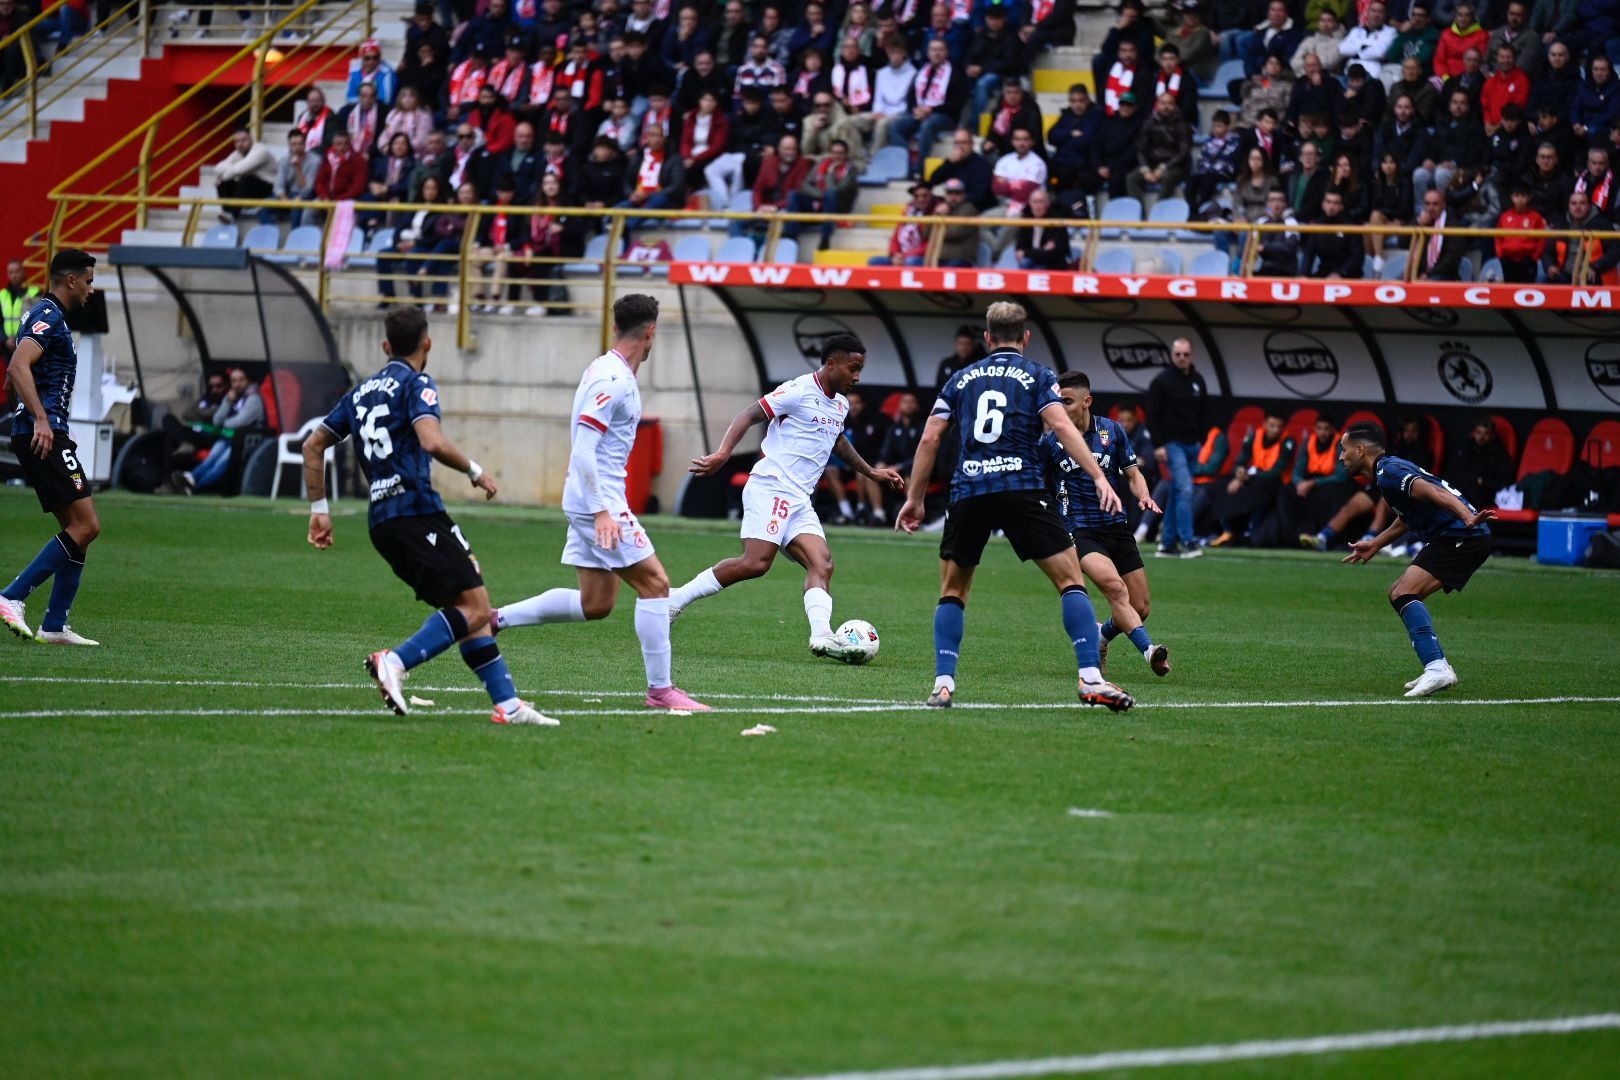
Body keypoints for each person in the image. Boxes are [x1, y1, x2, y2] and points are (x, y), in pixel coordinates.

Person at [298, 307, 550, 726]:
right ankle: (394, 662)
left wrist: (319, 511)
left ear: (385, 346)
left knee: (472, 605)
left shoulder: (358, 393)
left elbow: (313, 445)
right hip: (416, 511)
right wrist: (474, 470)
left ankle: (507, 705)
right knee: (473, 608)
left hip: (382, 520)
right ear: (427, 343)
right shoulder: (417, 384)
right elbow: (431, 442)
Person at [895, 302, 1134, 712]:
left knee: (953, 591)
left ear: (987, 339)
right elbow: (1061, 425)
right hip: (1022, 487)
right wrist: (1098, 476)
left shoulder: (960, 378)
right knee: (1070, 581)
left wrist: (914, 499)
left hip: (969, 489)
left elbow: (930, 439)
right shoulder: (1038, 375)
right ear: (1025, 338)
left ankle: (943, 685)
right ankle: (1090, 678)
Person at [493, 296, 708, 712]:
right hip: (599, 501)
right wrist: (601, 512)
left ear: (615, 328)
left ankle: (496, 619)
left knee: (596, 603)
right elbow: (583, 450)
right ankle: (661, 692)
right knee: (656, 585)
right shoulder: (613, 380)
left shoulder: (605, 368)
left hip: (589, 499)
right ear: (651, 332)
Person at [668, 335, 904, 657]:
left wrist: (871, 472)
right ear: (831, 363)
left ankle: (822, 636)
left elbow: (837, 441)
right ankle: (674, 600)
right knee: (755, 563)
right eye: (853, 368)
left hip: (799, 499)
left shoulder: (840, 404)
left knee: (822, 563)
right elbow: (748, 415)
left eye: (860, 369)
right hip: (771, 485)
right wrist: (724, 453)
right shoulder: (797, 391)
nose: (858, 377)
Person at [1338, 422, 1495, 698]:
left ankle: (1437, 668)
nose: (1341, 456)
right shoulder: (1387, 471)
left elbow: (1434, 492)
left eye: (1344, 449)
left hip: (1462, 535)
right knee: (1398, 592)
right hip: (1455, 535)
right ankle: (1437, 665)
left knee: (1403, 592)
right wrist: (1375, 544)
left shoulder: (1389, 473)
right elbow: (1407, 517)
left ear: (1361, 450)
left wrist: (1467, 517)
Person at [0, 249, 102, 646]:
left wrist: (30, 415)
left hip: (41, 432)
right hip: (44, 434)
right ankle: (12, 595)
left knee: (75, 529)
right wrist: (41, 420)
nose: (92, 290)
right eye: (89, 281)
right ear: (71, 280)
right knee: (87, 525)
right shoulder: (49, 315)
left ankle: (56, 625)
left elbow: (16, 375)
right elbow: (17, 366)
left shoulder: (41, 313)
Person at [1040, 371, 1171, 679]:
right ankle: (1150, 651)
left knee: (1139, 608)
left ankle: (1101, 637)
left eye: (1067, 401)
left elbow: (1133, 472)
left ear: (1087, 401)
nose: (1060, 406)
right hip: (1080, 530)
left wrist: (1144, 496)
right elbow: (1032, 482)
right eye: (1058, 401)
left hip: (1117, 526)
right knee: (1115, 589)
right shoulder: (1051, 442)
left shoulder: (1112, 431)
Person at [1145, 337, 1209, 558]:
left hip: (1193, 445)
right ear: (1172, 356)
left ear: (1192, 355)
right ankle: (1188, 542)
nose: (1182, 358)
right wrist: (1158, 444)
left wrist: (1201, 439)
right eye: (1178, 354)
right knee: (1185, 490)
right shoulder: (1162, 381)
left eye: (1186, 354)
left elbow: (1204, 411)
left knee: (1176, 493)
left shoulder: (1198, 380)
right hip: (1172, 444)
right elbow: (1152, 414)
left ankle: (1167, 543)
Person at [1210, 409, 1296, 546]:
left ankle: (1252, 531)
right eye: (1272, 425)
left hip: (1277, 482)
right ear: (1264, 424)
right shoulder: (1254, 436)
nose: (1275, 430)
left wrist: (1247, 477)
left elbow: (1277, 470)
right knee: (1223, 486)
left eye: (1279, 427)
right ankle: (1226, 530)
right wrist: (1239, 474)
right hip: (1254, 477)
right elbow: (1241, 460)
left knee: (1259, 490)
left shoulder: (1288, 442)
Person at [173, 367, 265, 495]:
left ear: (248, 381)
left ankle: (196, 487)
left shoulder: (254, 399)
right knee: (211, 458)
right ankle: (190, 477)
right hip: (229, 437)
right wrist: (227, 402)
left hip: (246, 441)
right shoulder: (231, 397)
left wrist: (224, 424)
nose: (237, 384)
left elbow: (240, 421)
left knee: (220, 464)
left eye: (241, 380)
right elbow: (216, 420)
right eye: (234, 381)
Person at [868, 391, 924, 525]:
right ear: (899, 406)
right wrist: (881, 463)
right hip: (896, 468)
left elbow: (922, 456)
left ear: (917, 406)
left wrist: (899, 466)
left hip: (916, 469)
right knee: (870, 472)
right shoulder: (894, 428)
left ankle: (910, 516)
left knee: (910, 474)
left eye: (912, 402)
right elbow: (886, 452)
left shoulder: (923, 426)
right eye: (905, 402)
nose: (909, 405)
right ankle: (878, 514)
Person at [1445, 415, 1514, 509]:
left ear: (1492, 436)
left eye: (1486, 434)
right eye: (1478, 433)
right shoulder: (1466, 448)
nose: (1481, 437)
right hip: (1461, 488)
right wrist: (1474, 479)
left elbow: (1503, 482)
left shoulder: (1500, 454)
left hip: (1484, 494)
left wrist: (1482, 481)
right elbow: (1453, 471)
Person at [214, 129, 278, 213]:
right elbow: (217, 168)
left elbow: (239, 170)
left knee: (246, 179)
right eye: (237, 141)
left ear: (251, 140)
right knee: (223, 184)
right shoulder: (238, 153)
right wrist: (223, 178)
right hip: (250, 190)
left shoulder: (260, 151)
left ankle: (232, 214)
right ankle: (227, 213)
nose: (240, 144)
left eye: (244, 140)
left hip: (270, 189)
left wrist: (224, 176)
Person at [1495, 184, 1546, 281]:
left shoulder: (1536, 217)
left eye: (1523, 196)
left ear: (1529, 198)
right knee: (1509, 290)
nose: (1520, 200)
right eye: (1517, 196)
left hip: (1528, 260)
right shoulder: (1504, 216)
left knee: (1527, 290)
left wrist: (1535, 257)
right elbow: (1498, 237)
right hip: (1508, 259)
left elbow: (1542, 239)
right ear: (1511, 197)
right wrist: (1500, 254)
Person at [1015, 189, 1073, 269]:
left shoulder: (1056, 220)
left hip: (1051, 263)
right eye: (1035, 202)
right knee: (1025, 263)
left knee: (1038, 269)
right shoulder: (1026, 220)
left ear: (1047, 203)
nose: (1038, 205)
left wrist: (1027, 252)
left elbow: (1055, 252)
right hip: (1031, 259)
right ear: (1030, 203)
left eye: (1041, 201)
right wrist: (1043, 250)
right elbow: (1020, 247)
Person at [1, 258, 40, 365]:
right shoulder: (2, 295)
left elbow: (36, 322)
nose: (14, 275)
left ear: (23, 273)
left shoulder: (34, 293)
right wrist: (5, 339)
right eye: (11, 272)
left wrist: (19, 339)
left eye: (17, 271)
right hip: (8, 347)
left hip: (26, 345)